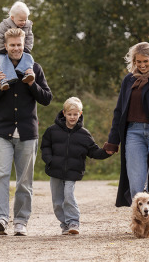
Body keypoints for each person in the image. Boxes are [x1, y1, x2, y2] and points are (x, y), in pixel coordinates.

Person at [0, 27, 53, 236]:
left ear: (24, 45)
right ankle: (0, 219)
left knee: (24, 181)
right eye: (12, 45)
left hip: (28, 134)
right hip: (2, 133)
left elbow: (47, 98)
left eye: (19, 45)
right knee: (0, 175)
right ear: (5, 46)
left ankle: (21, 221)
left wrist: (32, 84)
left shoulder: (34, 68)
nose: (16, 48)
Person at [103, 42, 149, 208]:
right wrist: (113, 141)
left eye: (146, 61)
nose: (142, 65)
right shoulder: (128, 80)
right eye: (139, 61)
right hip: (133, 133)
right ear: (134, 61)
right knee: (136, 184)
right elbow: (119, 111)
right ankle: (141, 223)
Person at [40, 97, 111, 235]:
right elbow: (45, 147)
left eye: (75, 114)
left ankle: (73, 222)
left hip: (73, 172)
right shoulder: (52, 131)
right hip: (55, 170)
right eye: (69, 114)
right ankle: (64, 224)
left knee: (68, 195)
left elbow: (93, 151)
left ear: (80, 114)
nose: (72, 117)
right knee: (57, 201)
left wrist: (106, 152)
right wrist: (50, 160)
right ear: (64, 113)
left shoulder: (84, 134)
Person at [0, 1, 35, 90]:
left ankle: (27, 73)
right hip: (5, 50)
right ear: (12, 18)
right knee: (2, 61)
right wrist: (2, 48)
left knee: (28, 58)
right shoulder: (5, 24)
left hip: (23, 51)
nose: (23, 22)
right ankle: (4, 80)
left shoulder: (27, 25)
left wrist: (27, 48)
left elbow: (30, 37)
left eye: (25, 19)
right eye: (21, 20)